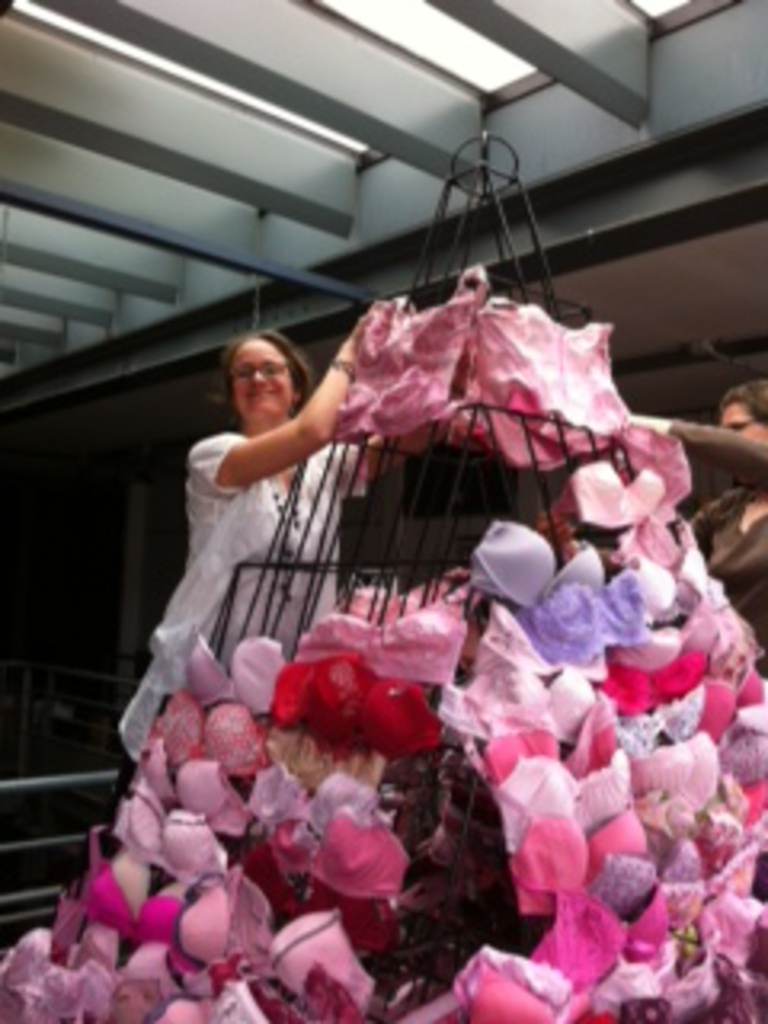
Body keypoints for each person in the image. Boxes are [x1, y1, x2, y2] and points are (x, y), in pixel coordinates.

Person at [119, 321, 366, 760]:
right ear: (232, 393)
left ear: (296, 390)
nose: (257, 379)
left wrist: (451, 374)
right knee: (189, 790)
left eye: (271, 369)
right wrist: (351, 351)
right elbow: (312, 432)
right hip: (204, 681)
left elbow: (406, 442)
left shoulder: (324, 466)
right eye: (244, 372)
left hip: (290, 691)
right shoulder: (213, 456)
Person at [633, 379, 768, 672]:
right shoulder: (727, 510)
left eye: (736, 429)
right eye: (722, 433)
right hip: (737, 682)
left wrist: (631, 423)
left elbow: (744, 454)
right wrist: (575, 550)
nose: (726, 441)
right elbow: (660, 557)